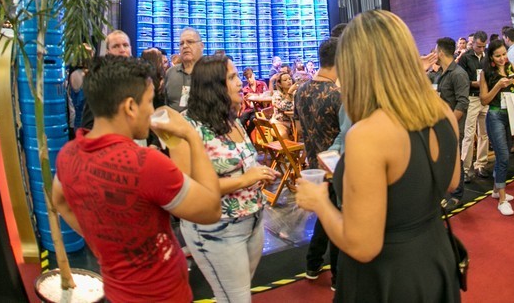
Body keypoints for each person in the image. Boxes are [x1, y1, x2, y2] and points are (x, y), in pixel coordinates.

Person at [296, 11, 461, 302]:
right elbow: (452, 181)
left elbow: (363, 246)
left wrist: (319, 201)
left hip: (388, 278)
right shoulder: (442, 112)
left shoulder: (367, 134)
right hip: (436, 258)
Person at [52, 56, 222, 303]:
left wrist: (103, 245)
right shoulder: (147, 164)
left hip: (116, 292)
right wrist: (191, 136)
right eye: (149, 101)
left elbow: (60, 201)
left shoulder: (68, 155)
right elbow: (211, 208)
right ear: (131, 107)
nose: (152, 111)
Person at [171, 55, 277, 302]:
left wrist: (260, 175)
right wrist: (245, 180)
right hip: (218, 229)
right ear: (213, 86)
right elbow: (188, 189)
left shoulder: (231, 118)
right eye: (232, 77)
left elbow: (242, 165)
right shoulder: (186, 127)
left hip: (253, 220)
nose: (240, 82)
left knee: (235, 295)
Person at [293, 38, 342, 286]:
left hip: (313, 165)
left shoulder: (300, 91)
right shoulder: (338, 94)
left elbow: (300, 129)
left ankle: (313, 264)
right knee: (336, 219)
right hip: (336, 168)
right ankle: (338, 277)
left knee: (324, 216)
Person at [481, 39, 514, 215]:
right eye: (498, 56)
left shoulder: (510, 67)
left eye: (504, 54)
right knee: (502, 155)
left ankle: (497, 189)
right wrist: (498, 86)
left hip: (511, 114)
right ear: (491, 57)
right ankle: (502, 199)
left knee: (506, 153)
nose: (502, 58)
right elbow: (484, 100)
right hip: (495, 115)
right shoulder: (486, 73)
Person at [433, 37, 469, 210]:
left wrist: (451, 125)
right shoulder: (442, 73)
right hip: (441, 124)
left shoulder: (458, 74)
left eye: (435, 50)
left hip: (453, 125)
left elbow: (462, 103)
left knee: (454, 159)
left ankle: (457, 196)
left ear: (440, 52)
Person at [457, 30, 491, 179]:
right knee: (469, 134)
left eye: (483, 46)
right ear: (473, 43)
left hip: (485, 97)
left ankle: (481, 164)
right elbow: (462, 80)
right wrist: (475, 83)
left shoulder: (487, 56)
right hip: (472, 98)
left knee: (485, 133)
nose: (481, 49)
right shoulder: (465, 58)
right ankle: (465, 168)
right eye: (479, 46)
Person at [164, 28, 204, 112]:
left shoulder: (212, 72)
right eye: (181, 43)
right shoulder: (170, 73)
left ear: (201, 46)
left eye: (190, 42)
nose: (185, 46)